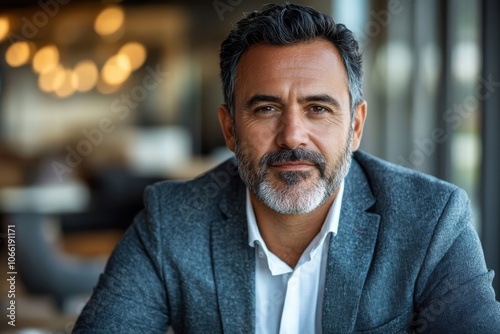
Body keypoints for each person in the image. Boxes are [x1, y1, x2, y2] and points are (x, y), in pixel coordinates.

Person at [73, 3, 500, 333]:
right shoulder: (171, 221)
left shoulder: (432, 221)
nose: (292, 136)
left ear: (354, 127)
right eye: (265, 108)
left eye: (317, 108)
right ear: (229, 128)